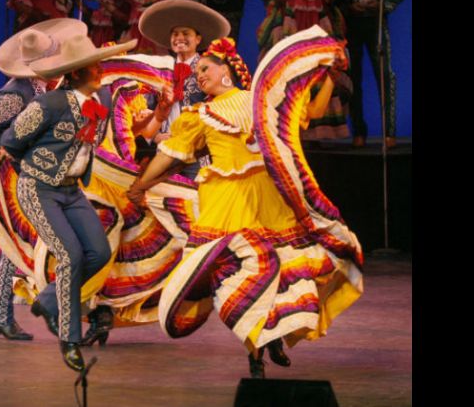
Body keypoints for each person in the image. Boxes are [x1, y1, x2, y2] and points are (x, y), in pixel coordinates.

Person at [127, 30, 363, 378]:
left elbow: (308, 112)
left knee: (279, 267)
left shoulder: (261, 101)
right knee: (235, 274)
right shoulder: (199, 114)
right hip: (226, 201)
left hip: (268, 195)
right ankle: (254, 347)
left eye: (206, 69)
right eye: (197, 74)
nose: (200, 76)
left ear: (226, 71)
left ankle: (271, 338)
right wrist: (141, 184)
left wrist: (328, 76)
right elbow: (169, 155)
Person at [0, 34, 137, 371]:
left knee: (99, 253)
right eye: (94, 65)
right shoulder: (47, 104)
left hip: (72, 190)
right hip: (39, 189)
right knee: (70, 255)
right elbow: (10, 142)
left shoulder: (100, 97)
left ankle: (49, 299)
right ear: (76, 73)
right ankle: (69, 338)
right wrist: (35, 171)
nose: (101, 68)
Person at [0, 18, 88, 341]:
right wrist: (6, 146)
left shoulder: (42, 88)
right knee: (21, 239)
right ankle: (0, 310)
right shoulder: (16, 91)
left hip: (25, 169)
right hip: (4, 169)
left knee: (27, 239)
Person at [249, 0, 353, 139]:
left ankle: (319, 130)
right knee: (288, 70)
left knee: (319, 70)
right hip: (290, 18)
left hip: (317, 18)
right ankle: (288, 127)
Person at [321, 0, 407, 148]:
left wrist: (383, 4)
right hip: (351, 24)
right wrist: (348, 8)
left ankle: (389, 133)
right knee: (353, 77)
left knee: (384, 75)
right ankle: (359, 132)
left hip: (377, 22)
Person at [136, 0, 230, 176]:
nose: (179, 38)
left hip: (197, 152)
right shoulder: (159, 70)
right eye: (175, 34)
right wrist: (155, 136)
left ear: (198, 39)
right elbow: (146, 110)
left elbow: (221, 107)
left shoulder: (209, 69)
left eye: (185, 33)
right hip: (165, 150)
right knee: (162, 200)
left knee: (196, 199)